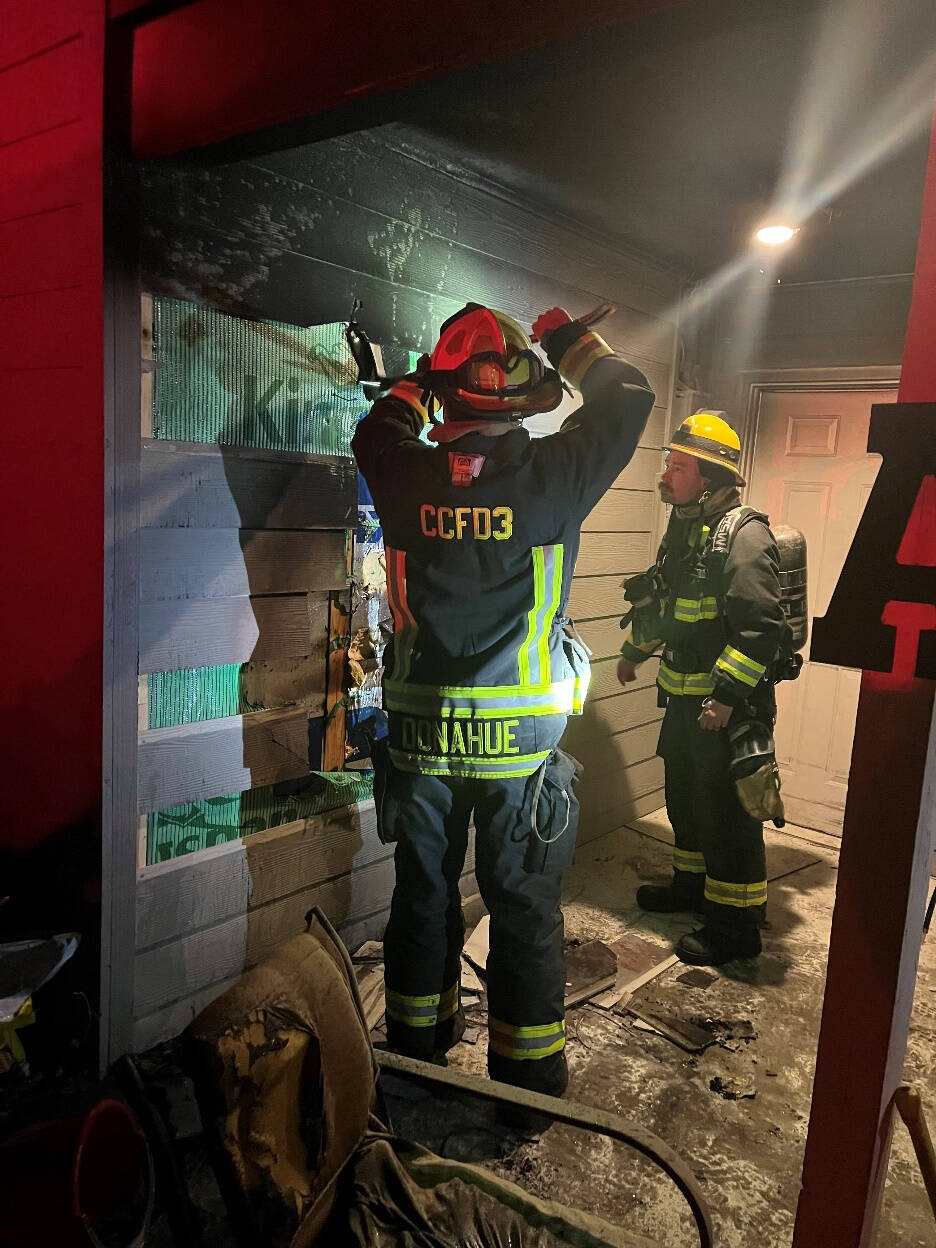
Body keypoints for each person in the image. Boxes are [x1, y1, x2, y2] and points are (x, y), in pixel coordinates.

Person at [352, 303, 654, 1100]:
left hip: (420, 743)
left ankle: (417, 1052)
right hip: (520, 750)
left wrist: (419, 378)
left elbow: (379, 425)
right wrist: (566, 337)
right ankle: (525, 1086)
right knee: (522, 906)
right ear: (522, 397)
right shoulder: (557, 473)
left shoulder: (402, 471)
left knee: (422, 895)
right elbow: (629, 396)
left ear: (446, 396)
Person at [617, 412, 787, 966]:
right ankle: (691, 888)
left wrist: (726, 699)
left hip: (723, 707)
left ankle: (736, 928)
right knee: (687, 800)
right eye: (670, 463)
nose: (666, 474)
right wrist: (635, 652)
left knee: (726, 816)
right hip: (683, 699)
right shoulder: (685, 527)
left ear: (709, 479)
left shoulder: (743, 536)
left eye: (679, 467)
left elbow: (760, 629)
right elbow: (671, 603)